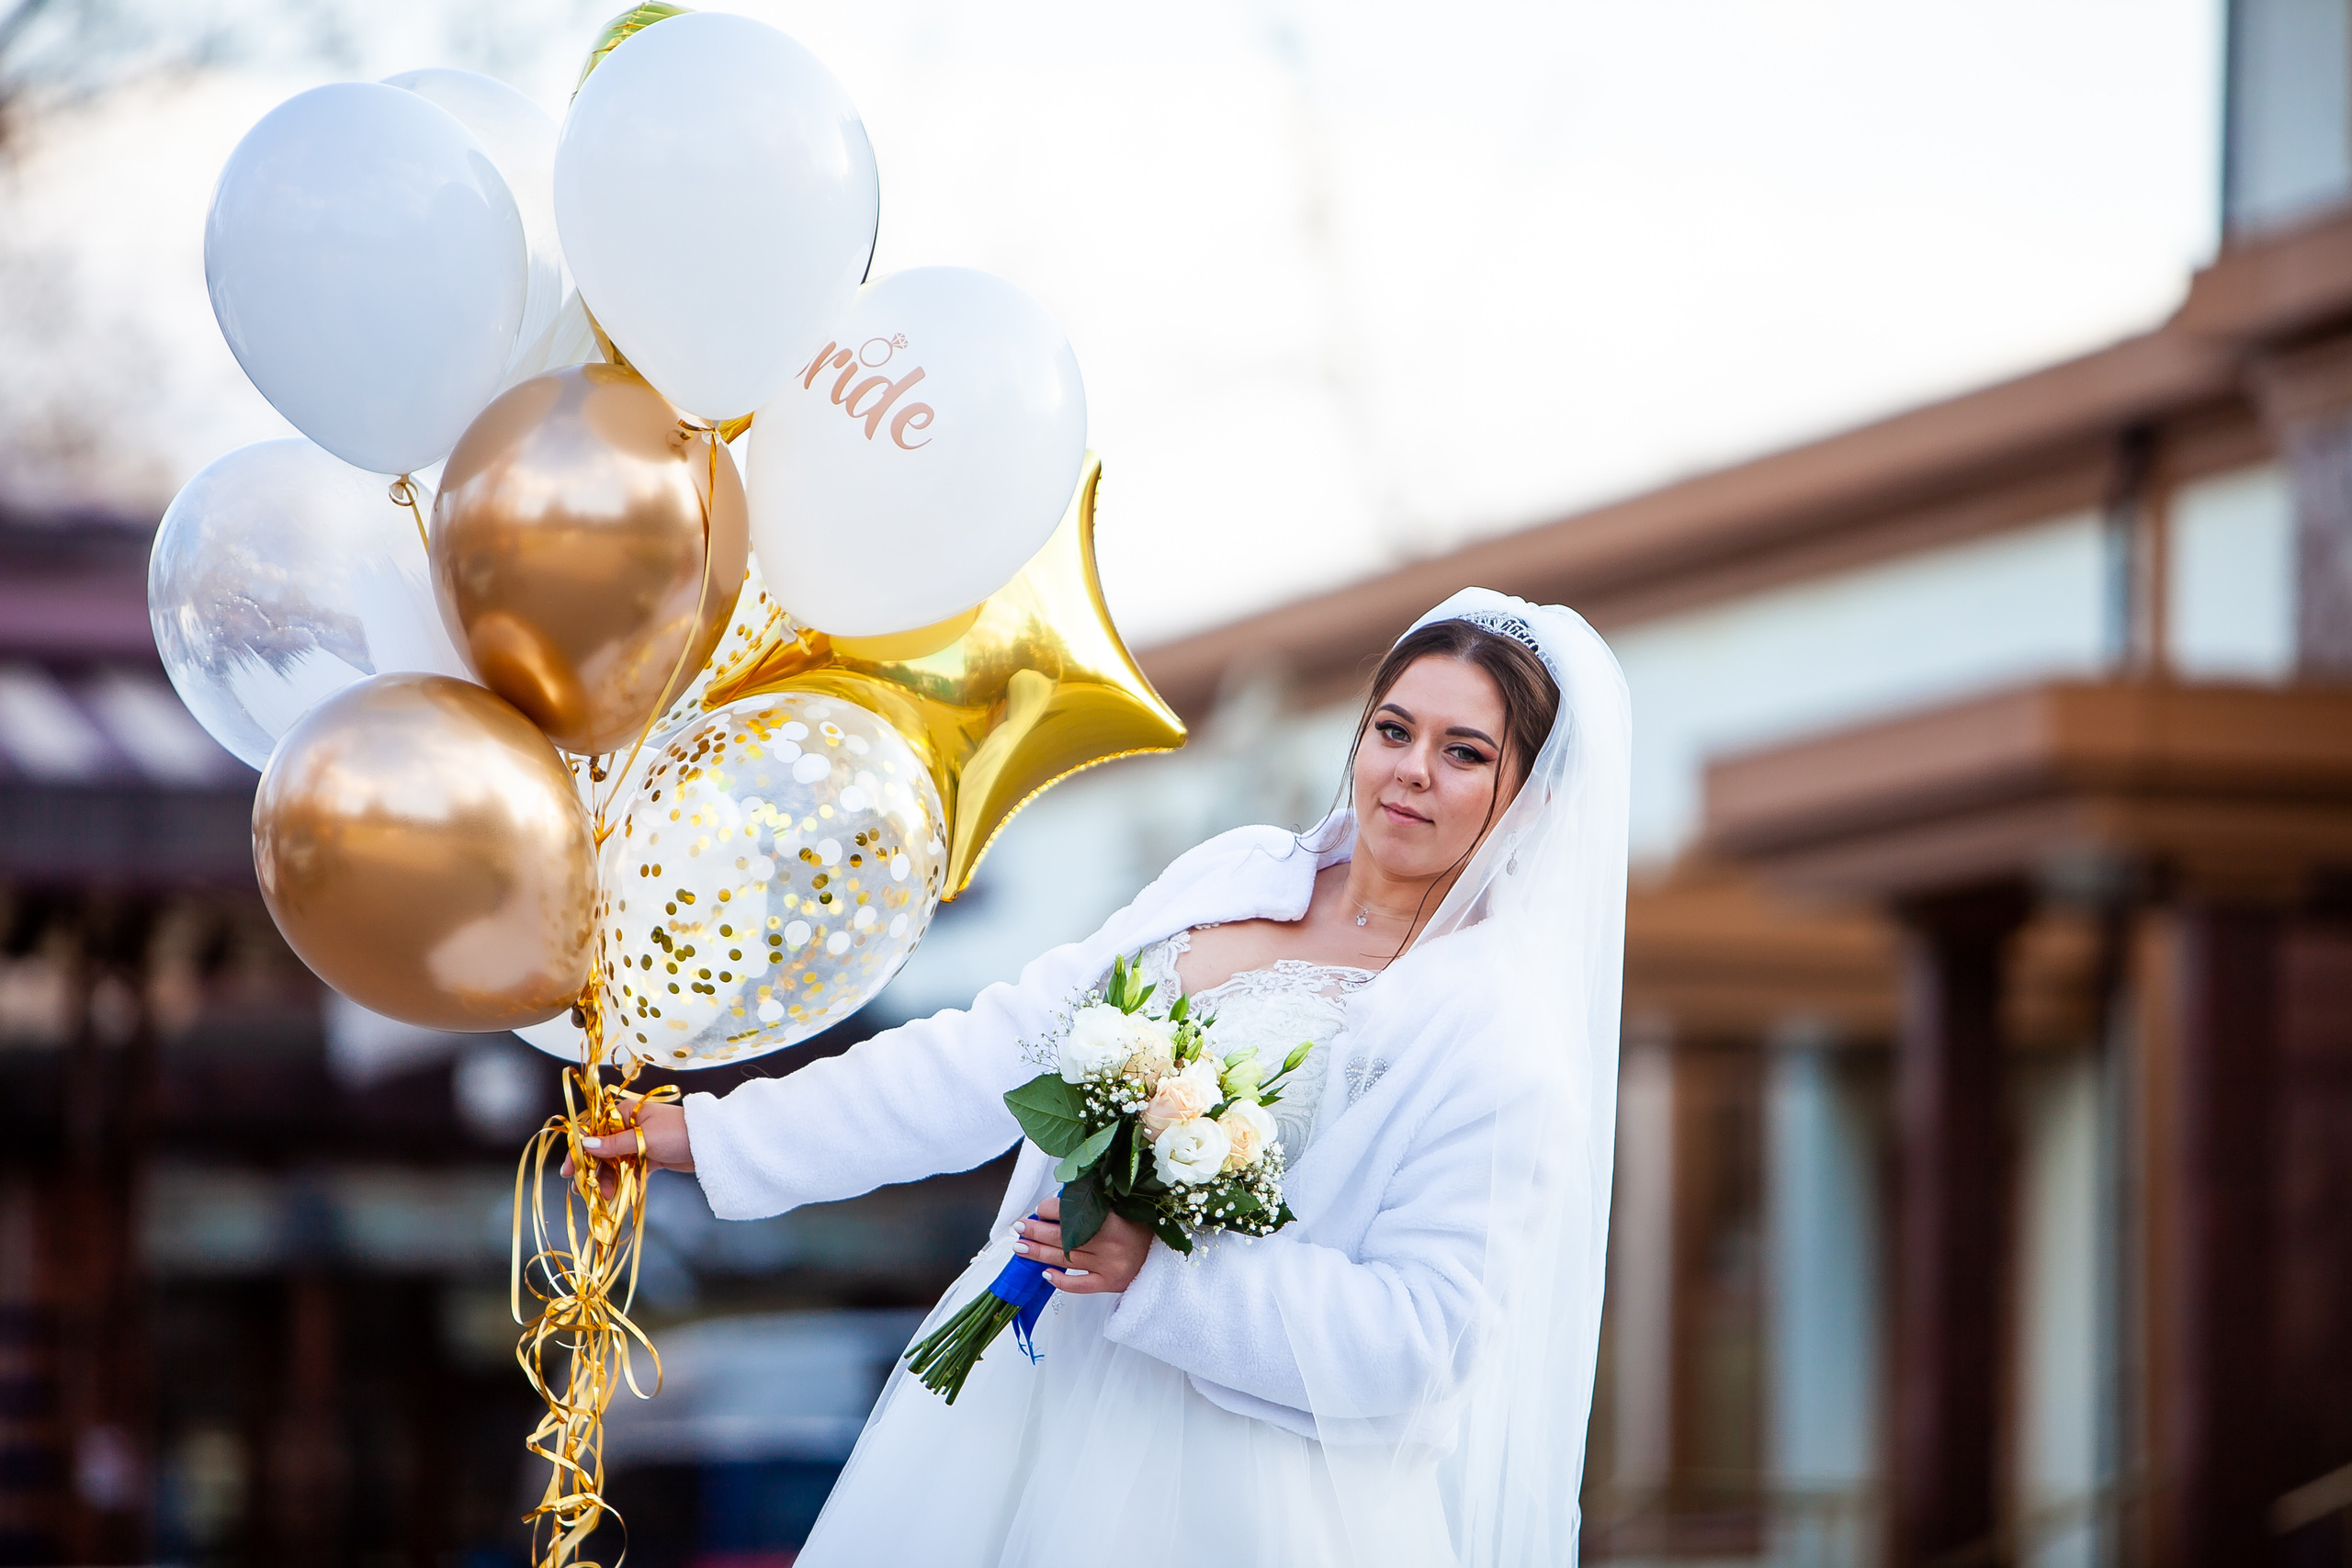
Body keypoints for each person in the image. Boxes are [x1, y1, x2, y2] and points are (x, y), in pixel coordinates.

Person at [577, 588, 1631, 1566]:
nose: (1409, 769)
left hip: (1235, 1493)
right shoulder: (1230, 875)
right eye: (1393, 730)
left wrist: (1163, 1273)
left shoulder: (1497, 1035)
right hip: (1010, 1409)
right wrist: (715, 1135)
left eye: (1463, 753)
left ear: (1529, 800)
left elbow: (1420, 1338)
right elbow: (1000, 1052)